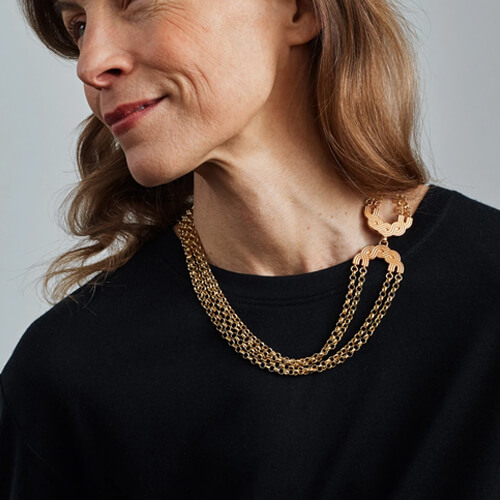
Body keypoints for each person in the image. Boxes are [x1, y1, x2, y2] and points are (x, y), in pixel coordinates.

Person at [1, 0, 499, 498]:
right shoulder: (67, 375)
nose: (90, 64)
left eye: (136, 3)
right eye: (79, 27)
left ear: (299, 11)